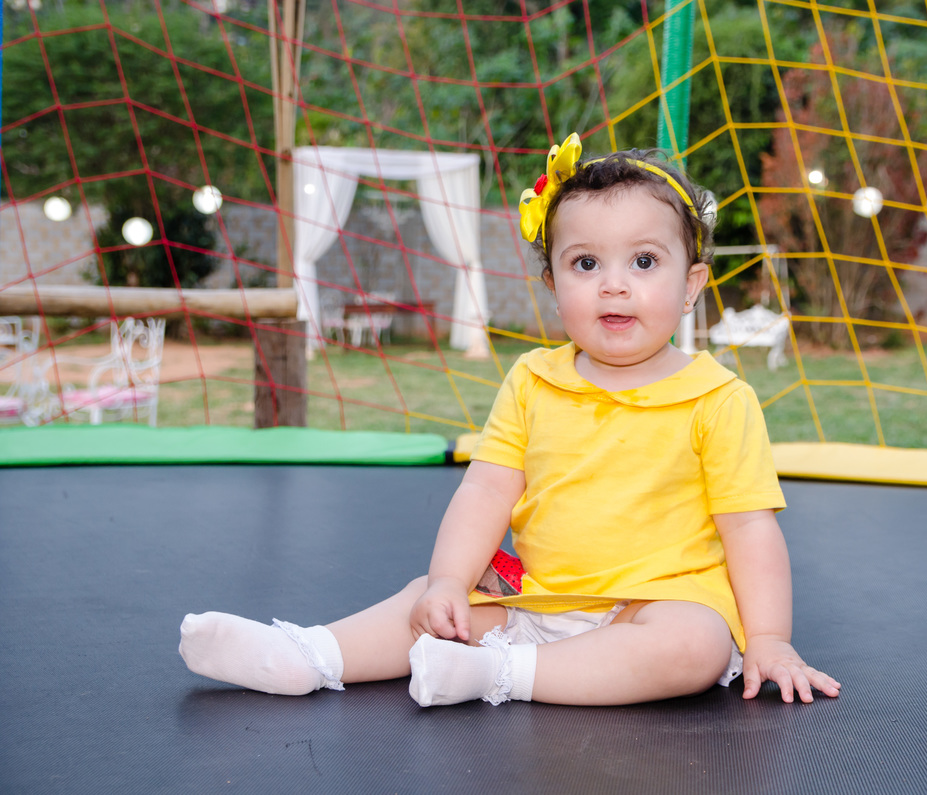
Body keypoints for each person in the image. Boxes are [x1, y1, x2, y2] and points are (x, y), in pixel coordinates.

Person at [179, 133, 841, 708]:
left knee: (693, 646)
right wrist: (447, 580)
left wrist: (770, 639)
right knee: (434, 598)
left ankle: (498, 672)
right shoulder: (531, 379)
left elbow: (749, 529)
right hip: (539, 592)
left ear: (693, 283)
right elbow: (488, 490)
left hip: (655, 603)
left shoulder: (718, 398)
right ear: (553, 283)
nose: (613, 284)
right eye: (586, 263)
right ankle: (309, 654)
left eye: (643, 261)